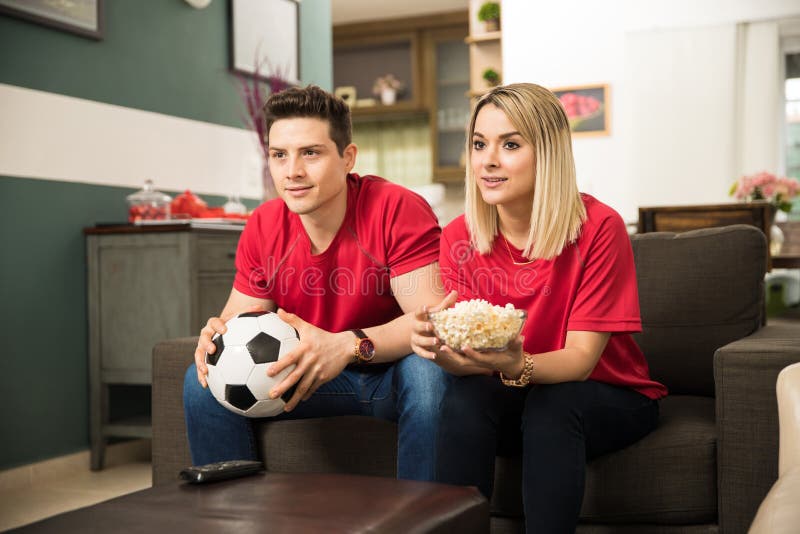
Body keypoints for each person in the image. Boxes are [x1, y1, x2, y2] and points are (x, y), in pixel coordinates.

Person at [410, 83, 668, 531]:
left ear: (547, 154)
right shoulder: (458, 236)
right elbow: (467, 364)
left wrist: (516, 364)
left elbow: (581, 361)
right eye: (479, 144)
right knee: (464, 399)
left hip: (609, 396)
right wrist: (440, 349)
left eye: (510, 144)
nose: (488, 160)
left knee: (554, 403)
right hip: (516, 395)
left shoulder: (598, 228)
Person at [184, 85, 448, 481]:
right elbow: (237, 321)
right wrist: (215, 339)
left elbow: (431, 323)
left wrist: (345, 344)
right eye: (279, 155)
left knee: (430, 375)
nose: (292, 171)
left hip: (391, 373)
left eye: (310, 152)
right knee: (201, 380)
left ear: (347, 158)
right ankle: (234, 521)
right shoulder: (264, 224)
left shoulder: (394, 209)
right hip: (311, 377)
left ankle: (425, 521)